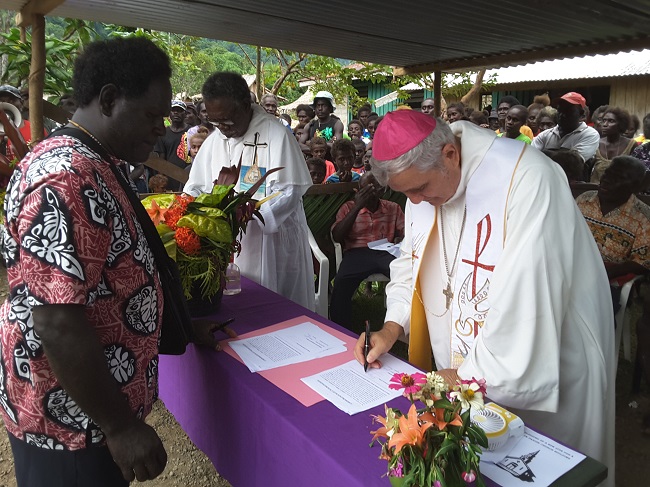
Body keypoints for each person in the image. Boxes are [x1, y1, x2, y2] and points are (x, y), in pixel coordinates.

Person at [0, 36, 224, 487]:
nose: (160, 128)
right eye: (150, 114)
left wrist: (175, 322)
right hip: (72, 425)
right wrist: (120, 426)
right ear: (108, 99)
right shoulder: (65, 177)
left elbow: (106, 279)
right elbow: (58, 322)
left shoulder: (94, 161)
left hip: (86, 418)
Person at [353, 110, 615, 485]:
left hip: (546, 358)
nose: (416, 201)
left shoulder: (526, 179)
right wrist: (391, 328)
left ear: (449, 154)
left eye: (420, 189)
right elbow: (411, 262)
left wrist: (463, 376)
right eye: (406, 193)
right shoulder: (422, 187)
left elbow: (529, 299)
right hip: (464, 371)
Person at [184, 72, 315, 310]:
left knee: (275, 306)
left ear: (246, 105)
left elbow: (290, 190)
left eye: (227, 121)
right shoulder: (216, 139)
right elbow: (196, 186)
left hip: (270, 241)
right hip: (227, 240)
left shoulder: (275, 133)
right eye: (216, 122)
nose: (222, 129)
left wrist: (250, 214)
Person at [330, 171, 404, 328]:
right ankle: (340, 326)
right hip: (357, 253)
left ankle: (403, 320)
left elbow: (405, 233)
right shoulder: (348, 208)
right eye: (366, 188)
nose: (371, 192)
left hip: (385, 251)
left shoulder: (393, 208)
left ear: (383, 189)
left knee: (405, 275)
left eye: (375, 188)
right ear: (358, 190)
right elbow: (337, 236)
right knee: (342, 281)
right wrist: (357, 206)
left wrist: (399, 240)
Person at [531, 92, 599, 163]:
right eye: (560, 110)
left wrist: (544, 153)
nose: (562, 115)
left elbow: (574, 161)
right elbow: (531, 157)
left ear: (581, 115)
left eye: (568, 111)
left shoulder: (589, 134)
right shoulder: (545, 135)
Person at [590, 107, 638, 183]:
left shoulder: (631, 145)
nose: (605, 124)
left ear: (621, 124)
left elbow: (635, 173)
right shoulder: (596, 143)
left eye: (611, 121)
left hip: (620, 191)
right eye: (604, 120)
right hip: (595, 190)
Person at [153, 100, 190, 189]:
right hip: (171, 176)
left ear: (185, 114)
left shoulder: (191, 131)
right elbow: (162, 157)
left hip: (189, 174)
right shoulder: (163, 133)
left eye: (180, 110)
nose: (176, 113)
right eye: (173, 110)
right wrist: (161, 178)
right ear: (169, 113)